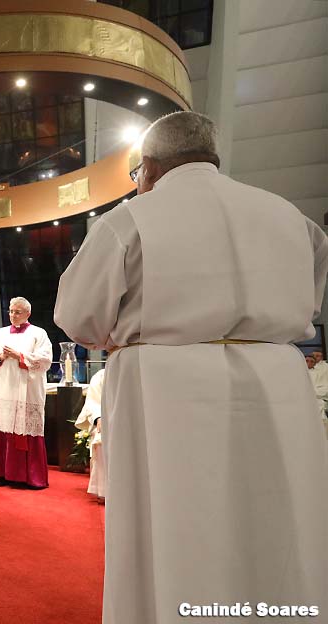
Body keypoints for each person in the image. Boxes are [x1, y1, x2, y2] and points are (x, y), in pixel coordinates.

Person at [54, 111, 328, 623]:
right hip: (277, 386)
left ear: (150, 168)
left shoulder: (128, 220)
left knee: (178, 528)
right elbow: (309, 302)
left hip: (164, 391)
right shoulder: (291, 218)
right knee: (276, 517)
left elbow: (77, 318)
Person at [0, 297, 53, 489]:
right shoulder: (0, 333)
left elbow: (45, 360)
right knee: (5, 427)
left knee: (26, 427)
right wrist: (1, 356)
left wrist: (19, 356)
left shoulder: (38, 333)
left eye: (18, 312)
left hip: (27, 390)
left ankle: (30, 476)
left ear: (28, 314)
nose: (13, 315)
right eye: (11, 311)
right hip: (5, 387)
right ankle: (5, 473)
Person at [74, 368, 106, 500]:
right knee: (101, 434)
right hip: (105, 419)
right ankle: (104, 490)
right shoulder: (101, 375)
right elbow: (93, 402)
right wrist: (98, 417)